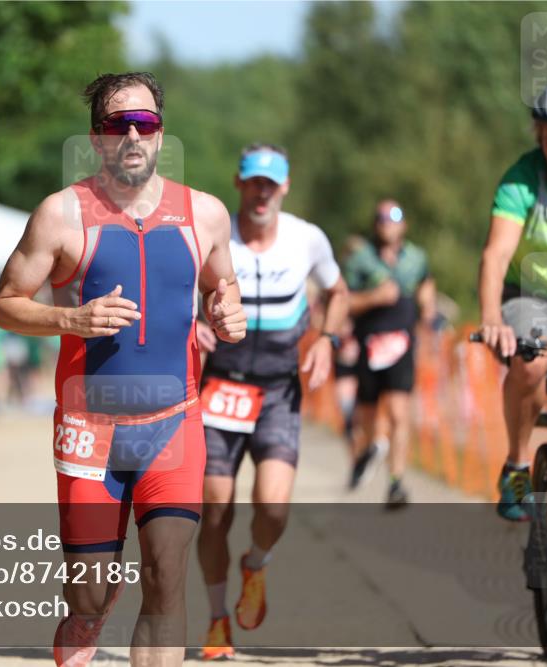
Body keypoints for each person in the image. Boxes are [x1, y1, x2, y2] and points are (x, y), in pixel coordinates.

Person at [0, 71, 246, 667]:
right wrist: (73, 320)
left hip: (174, 423)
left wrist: (229, 312)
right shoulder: (60, 216)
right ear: (96, 137)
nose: (132, 135)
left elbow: (223, 286)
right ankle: (88, 616)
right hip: (90, 430)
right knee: (88, 591)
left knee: (165, 576)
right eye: (117, 124)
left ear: (160, 133)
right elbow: (4, 305)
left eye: (145, 123)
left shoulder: (205, 214)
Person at [193, 143, 349, 660]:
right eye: (253, 181)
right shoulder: (214, 232)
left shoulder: (307, 238)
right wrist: (193, 323)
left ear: (284, 187)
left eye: (271, 183)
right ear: (239, 183)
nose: (261, 192)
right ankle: (218, 620)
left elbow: (338, 291)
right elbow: (176, 291)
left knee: (274, 506)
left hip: (279, 387)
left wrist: (326, 339)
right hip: (219, 387)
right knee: (215, 510)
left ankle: (255, 564)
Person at [477, 76, 547, 521]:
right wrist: (490, 318)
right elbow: (496, 253)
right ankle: (517, 465)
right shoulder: (522, 179)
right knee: (532, 357)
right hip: (530, 296)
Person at [344, 200, 436, 508]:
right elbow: (344, 301)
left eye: (394, 220)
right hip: (369, 343)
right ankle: (369, 451)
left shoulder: (416, 258)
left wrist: (428, 313)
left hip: (402, 343)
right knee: (367, 415)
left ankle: (396, 482)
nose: (388, 225)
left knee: (399, 412)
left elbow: (426, 287)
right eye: (382, 219)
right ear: (375, 224)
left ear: (404, 225)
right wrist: (374, 297)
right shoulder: (361, 259)